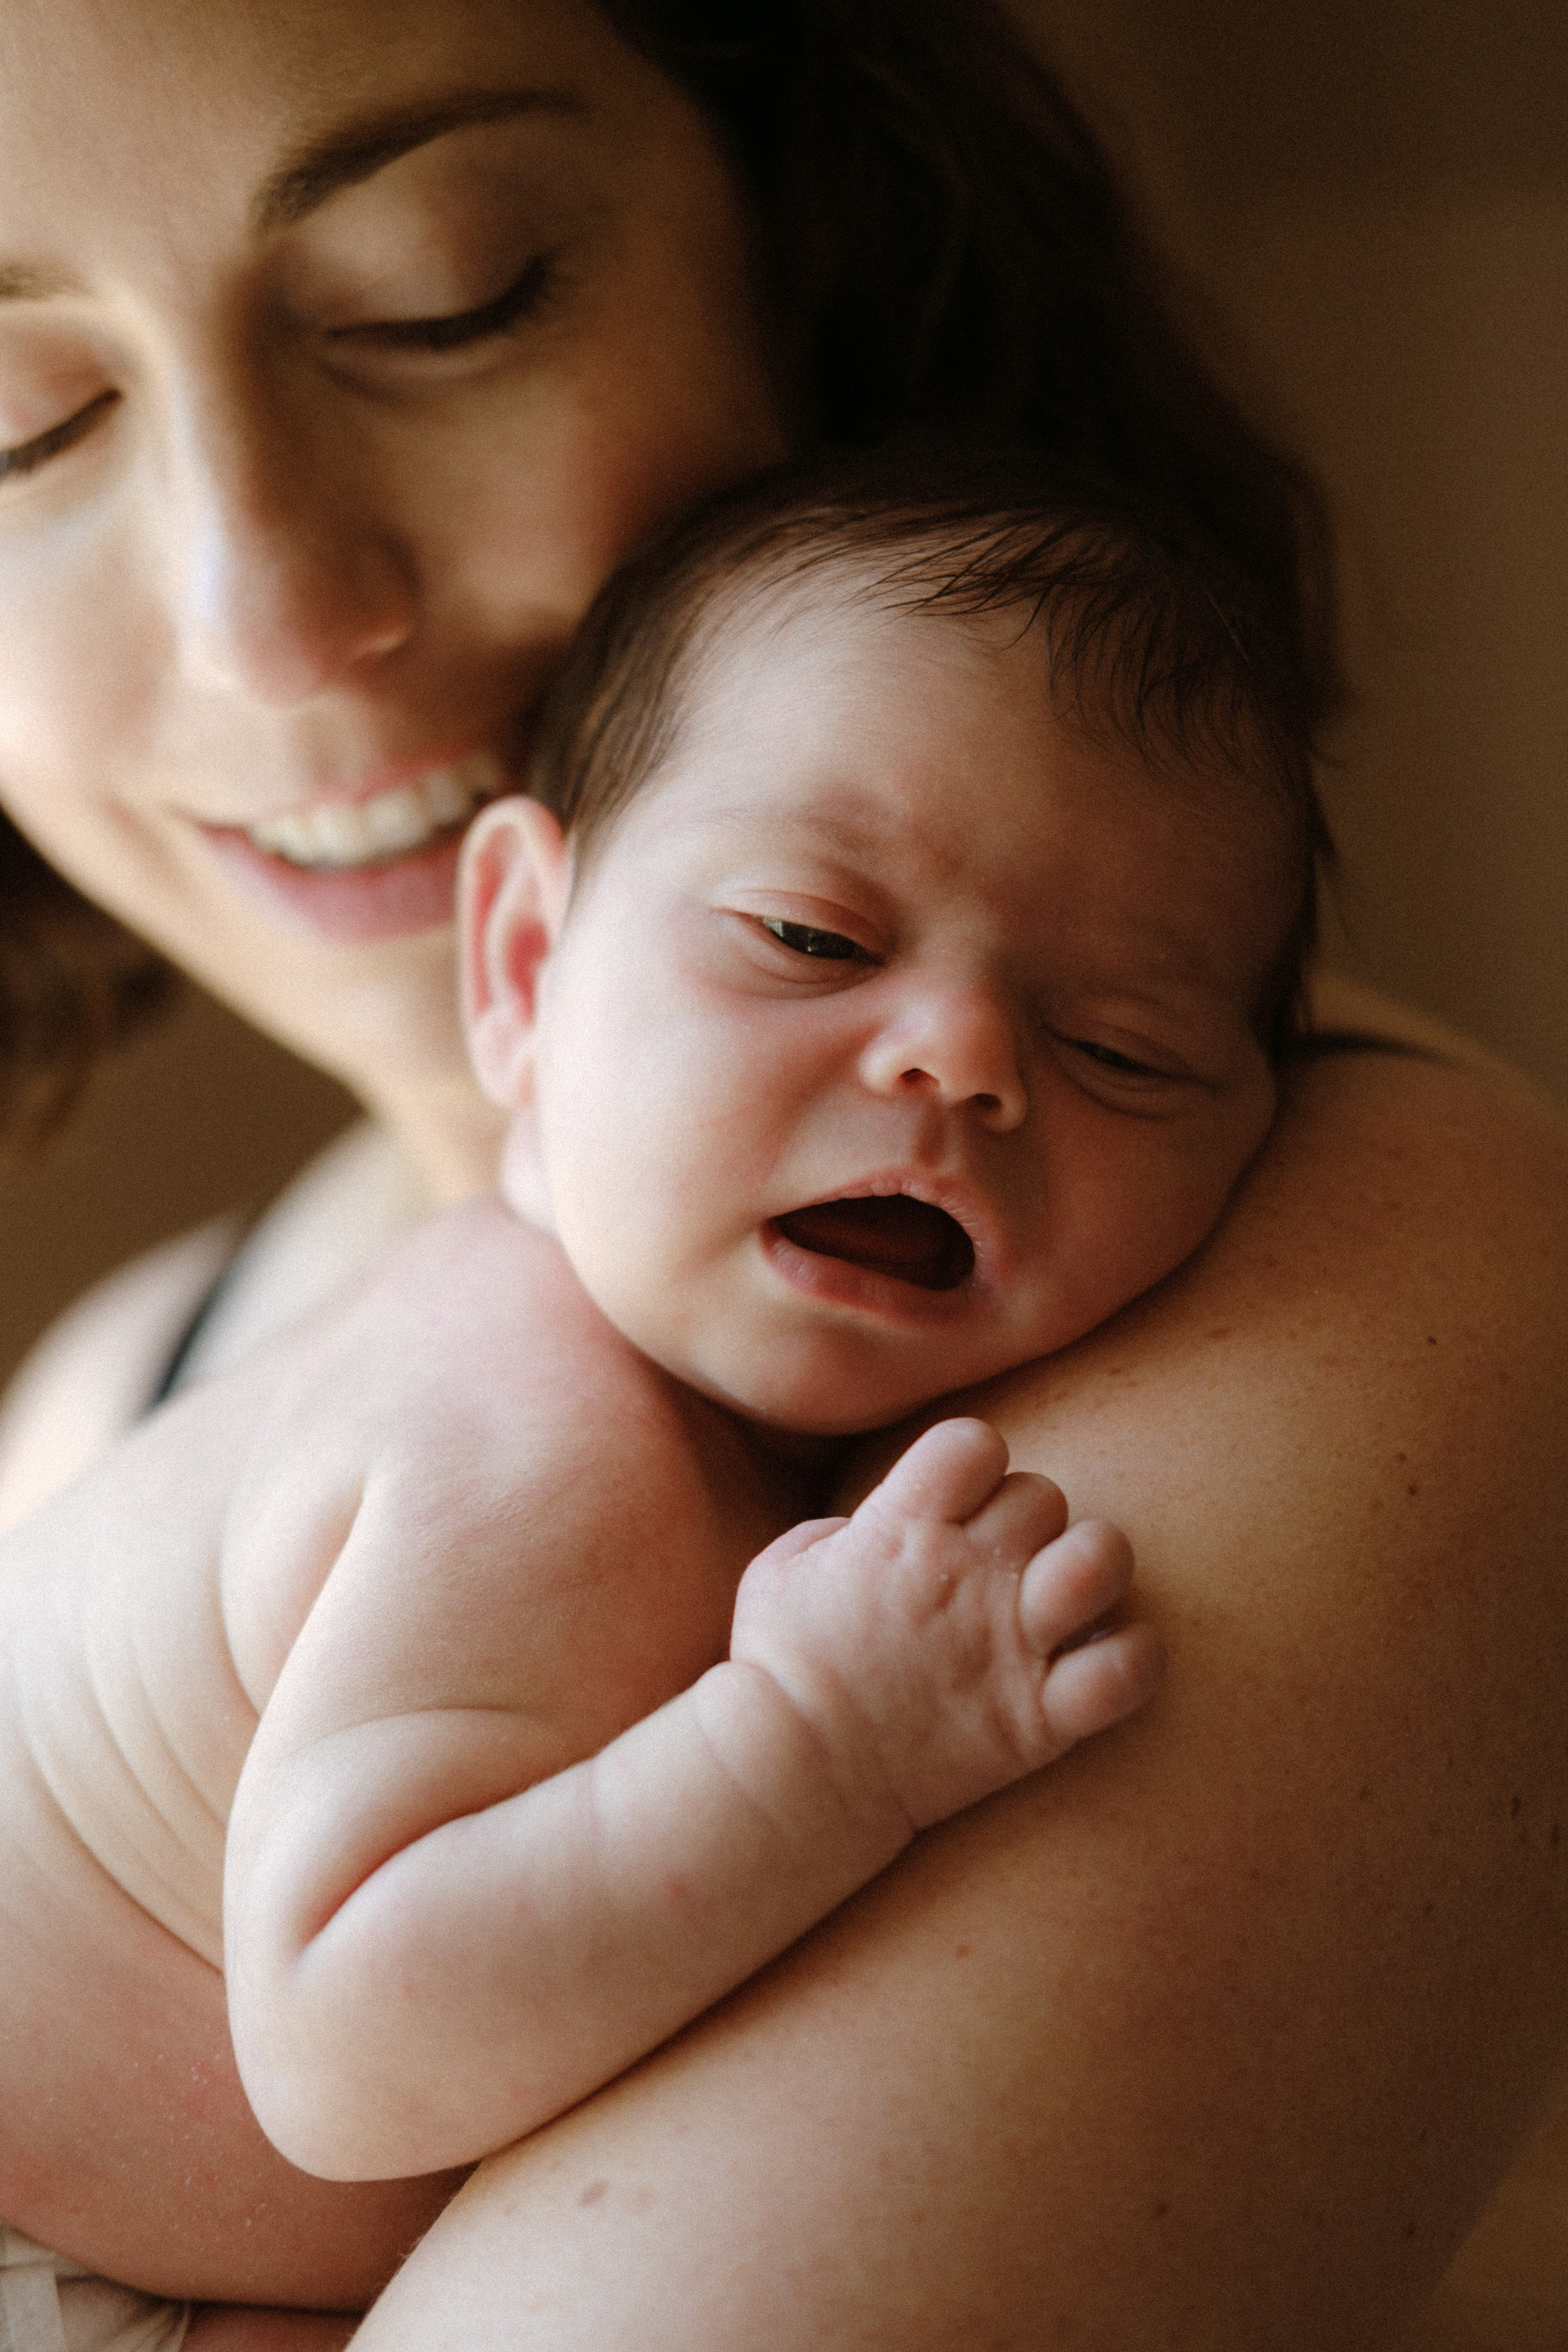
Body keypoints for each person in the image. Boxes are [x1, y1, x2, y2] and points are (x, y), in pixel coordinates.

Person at [0, 2, 1562, 2346]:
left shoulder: (1377, 1274)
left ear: (823, 237)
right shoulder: (128, 1384)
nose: (274, 615)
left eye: (447, 297)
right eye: (19, 422)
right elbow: (342, 2056)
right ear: (528, 947)